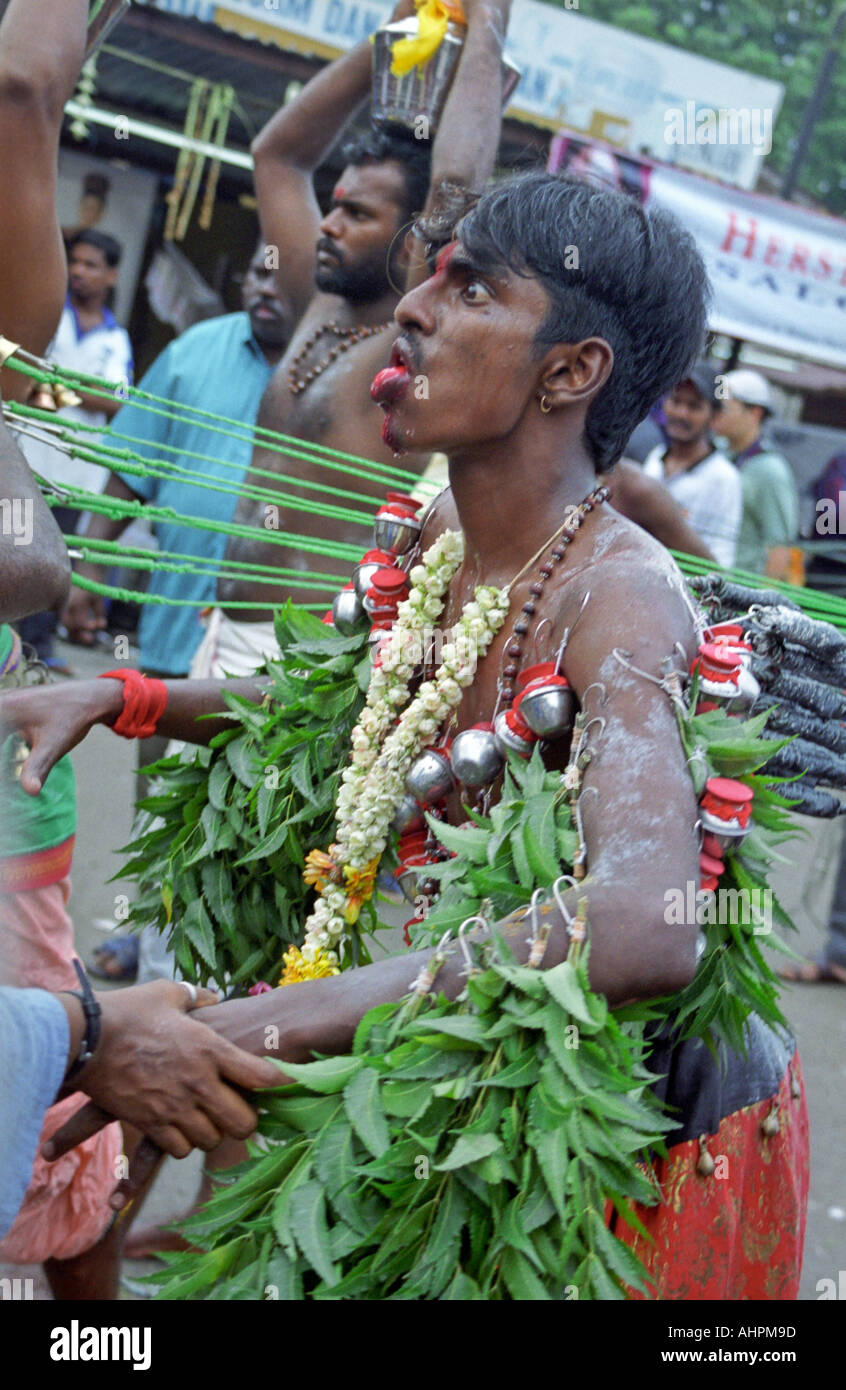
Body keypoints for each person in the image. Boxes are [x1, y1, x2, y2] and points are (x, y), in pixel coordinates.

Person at [2, 173, 809, 1299]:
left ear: (571, 372)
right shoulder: (439, 533)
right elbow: (344, 714)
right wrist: (123, 698)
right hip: (424, 1061)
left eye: (469, 286)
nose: (413, 309)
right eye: (429, 273)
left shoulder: (616, 599)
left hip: (603, 1168)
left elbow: (642, 924)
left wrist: (268, 1021)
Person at [197, 0, 514, 668]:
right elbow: (277, 155)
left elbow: (456, 187)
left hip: (305, 661)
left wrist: (485, 19)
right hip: (217, 628)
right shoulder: (316, 298)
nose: (329, 225)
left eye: (357, 214)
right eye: (333, 205)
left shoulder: (412, 335)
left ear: (409, 240)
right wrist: (391, 44)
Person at [62, 243, 292, 793]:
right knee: (162, 803)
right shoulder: (194, 350)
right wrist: (91, 565)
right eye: (258, 273)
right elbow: (132, 464)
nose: (267, 288)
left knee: (251, 806)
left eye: (283, 278)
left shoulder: (338, 372)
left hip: (275, 643)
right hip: (176, 619)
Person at [15, 229, 134, 670]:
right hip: (25, 464)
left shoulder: (115, 338)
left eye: (91, 265)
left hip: (76, 476)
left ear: (112, 275)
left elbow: (117, 401)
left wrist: (57, 383)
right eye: (76, 262)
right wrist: (83, 388)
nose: (79, 271)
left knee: (58, 561)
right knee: (17, 548)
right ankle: (8, 645)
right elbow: (22, 378)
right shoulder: (48, 313)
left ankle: (39, 651)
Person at [642, 364, 741, 568]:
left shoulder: (723, 478)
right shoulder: (656, 458)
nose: (681, 413)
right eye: (676, 401)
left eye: (694, 406)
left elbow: (721, 565)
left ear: (715, 418)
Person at [713, 367, 799, 579]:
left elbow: (779, 549)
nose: (716, 415)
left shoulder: (770, 471)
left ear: (754, 413)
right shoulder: (718, 454)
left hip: (739, 595)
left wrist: (760, 602)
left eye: (724, 407)